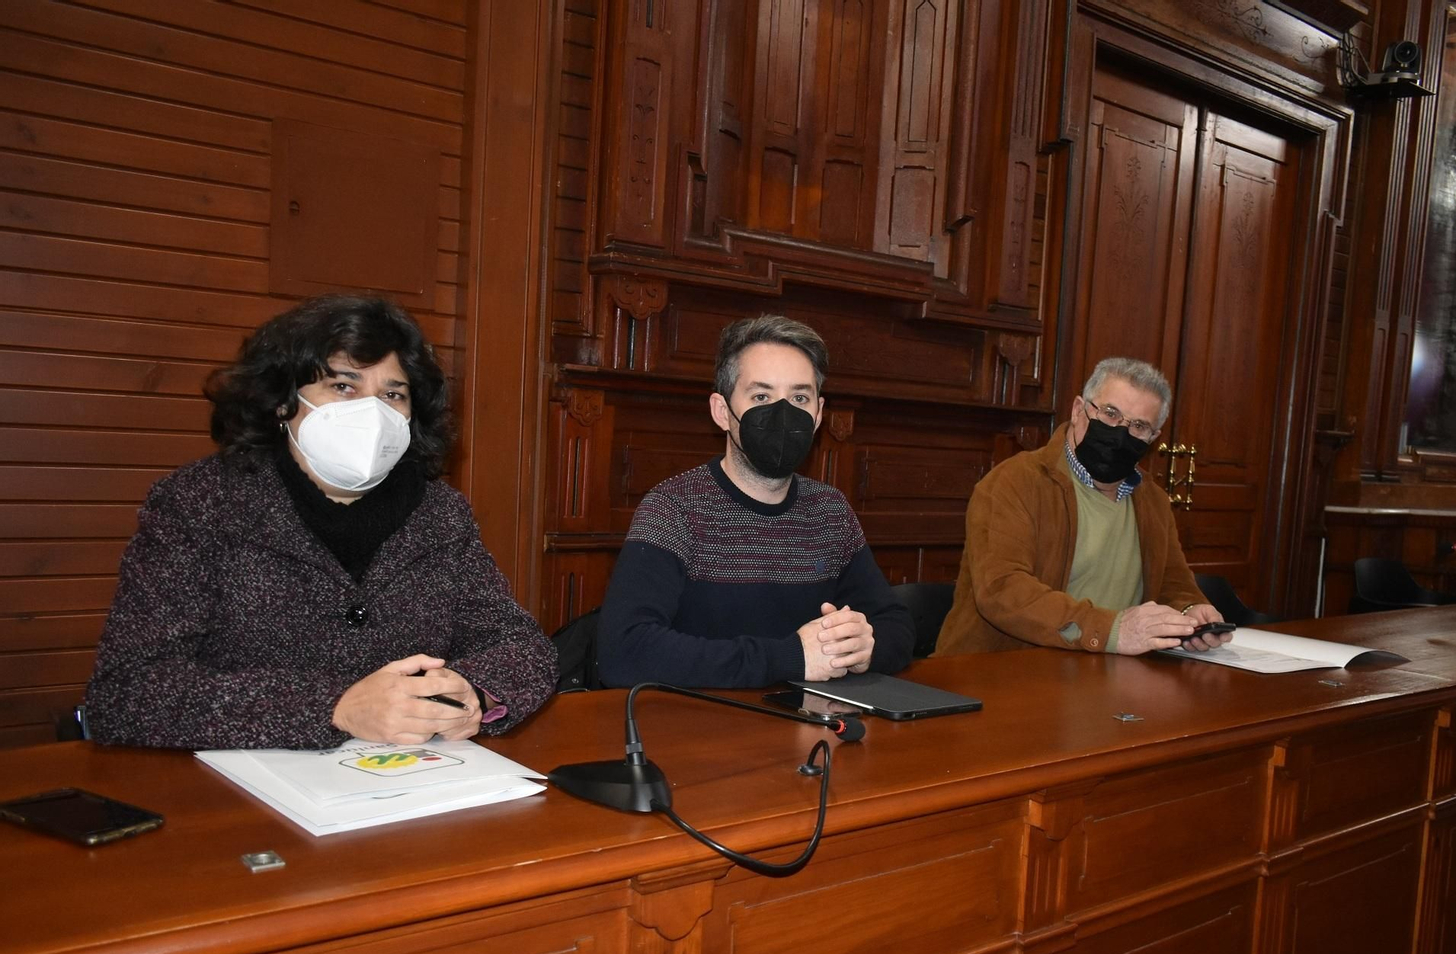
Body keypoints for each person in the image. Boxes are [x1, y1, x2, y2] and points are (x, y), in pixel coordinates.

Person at [85, 295, 558, 749]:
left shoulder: (440, 513)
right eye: (343, 386)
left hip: (408, 776)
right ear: (283, 401)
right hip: (244, 785)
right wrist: (333, 707)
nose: (372, 410)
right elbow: (127, 691)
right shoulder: (201, 503)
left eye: (393, 394)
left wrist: (474, 692)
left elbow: (521, 647)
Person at [597, 314, 914, 688]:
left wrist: (863, 647)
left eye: (799, 398)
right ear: (722, 412)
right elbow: (624, 652)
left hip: (808, 718)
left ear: (818, 415)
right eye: (761, 396)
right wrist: (790, 658)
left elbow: (897, 626)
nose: (782, 414)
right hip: (701, 720)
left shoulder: (830, 511)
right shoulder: (674, 508)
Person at [935, 357, 1230, 657]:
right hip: (1001, 668)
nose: (1120, 433)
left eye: (1139, 426)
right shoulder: (1014, 482)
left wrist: (1191, 611)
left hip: (1107, 671)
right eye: (1111, 414)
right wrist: (1109, 630)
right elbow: (1002, 590)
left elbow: (1172, 582)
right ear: (1078, 410)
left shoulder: (1152, 499)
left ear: (1153, 438)